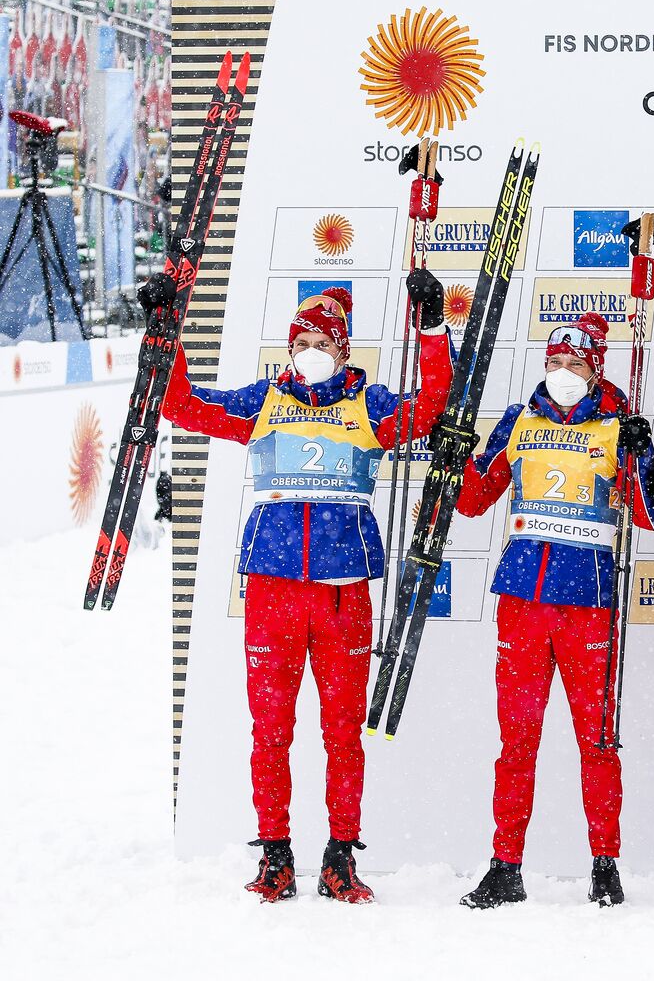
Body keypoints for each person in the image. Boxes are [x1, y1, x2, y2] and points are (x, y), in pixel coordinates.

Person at [146, 268, 453, 903]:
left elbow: (431, 408)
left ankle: (340, 857)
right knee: (270, 731)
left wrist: (430, 329)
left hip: (343, 593)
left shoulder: (367, 406)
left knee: (342, 732)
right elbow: (179, 405)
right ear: (289, 349)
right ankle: (277, 856)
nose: (310, 352)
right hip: (272, 591)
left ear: (343, 349)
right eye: (301, 342)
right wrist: (165, 328)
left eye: (322, 342)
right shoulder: (264, 401)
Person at [453, 312, 654, 910]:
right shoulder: (519, 421)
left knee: (596, 741)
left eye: (575, 364)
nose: (563, 374)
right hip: (522, 598)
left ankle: (604, 863)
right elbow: (472, 500)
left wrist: (646, 462)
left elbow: (647, 517)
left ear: (595, 368)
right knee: (516, 740)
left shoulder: (617, 423)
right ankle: (506, 865)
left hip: (589, 599)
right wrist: (454, 456)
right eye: (554, 363)